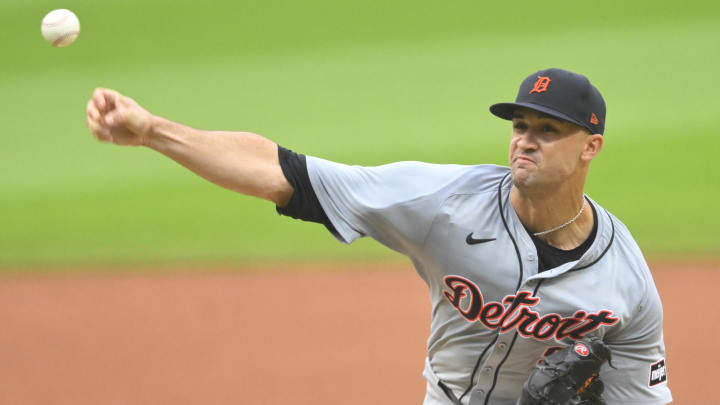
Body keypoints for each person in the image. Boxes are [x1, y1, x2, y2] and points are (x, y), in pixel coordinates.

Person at [86, 68, 672, 405]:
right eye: (520, 126)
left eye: (549, 130)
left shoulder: (626, 281)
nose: (525, 140)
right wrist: (154, 132)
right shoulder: (444, 202)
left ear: (590, 147)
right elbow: (284, 172)